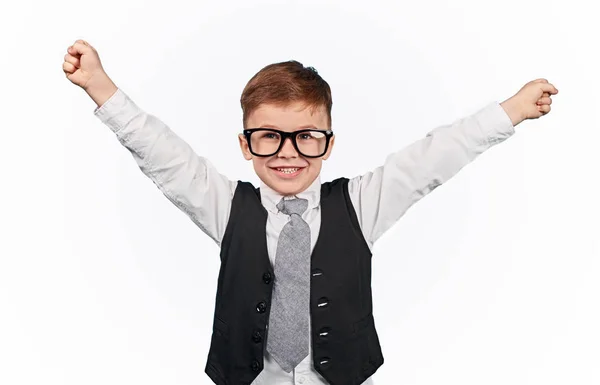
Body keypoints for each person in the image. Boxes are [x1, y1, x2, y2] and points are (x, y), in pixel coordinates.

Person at [63, 39, 558, 385]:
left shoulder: (362, 203)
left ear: (328, 142)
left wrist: (510, 110)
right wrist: (101, 86)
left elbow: (435, 155)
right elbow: (162, 154)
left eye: (306, 136)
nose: (288, 153)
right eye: (268, 136)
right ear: (245, 144)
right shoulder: (225, 205)